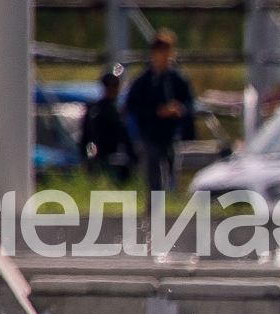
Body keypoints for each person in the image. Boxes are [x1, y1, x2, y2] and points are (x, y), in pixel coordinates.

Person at [122, 33, 199, 194]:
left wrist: (180, 110)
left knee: (169, 171)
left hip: (171, 134)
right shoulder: (144, 81)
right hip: (149, 134)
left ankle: (167, 201)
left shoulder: (177, 79)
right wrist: (156, 112)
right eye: (161, 52)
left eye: (167, 52)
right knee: (154, 172)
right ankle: (154, 205)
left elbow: (190, 103)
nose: (164, 57)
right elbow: (132, 106)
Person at [80, 63, 136, 181]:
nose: (111, 89)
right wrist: (86, 157)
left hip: (117, 160)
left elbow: (126, 138)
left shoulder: (119, 109)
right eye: (108, 85)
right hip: (102, 160)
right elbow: (87, 137)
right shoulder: (96, 110)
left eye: (114, 85)